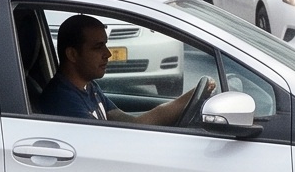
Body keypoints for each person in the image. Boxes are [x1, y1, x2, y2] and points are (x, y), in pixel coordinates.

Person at [35, 13, 213, 125]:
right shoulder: (63, 100)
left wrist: (190, 98)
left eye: (105, 45)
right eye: (98, 47)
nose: (108, 54)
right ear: (72, 54)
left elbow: (134, 123)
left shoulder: (89, 87)